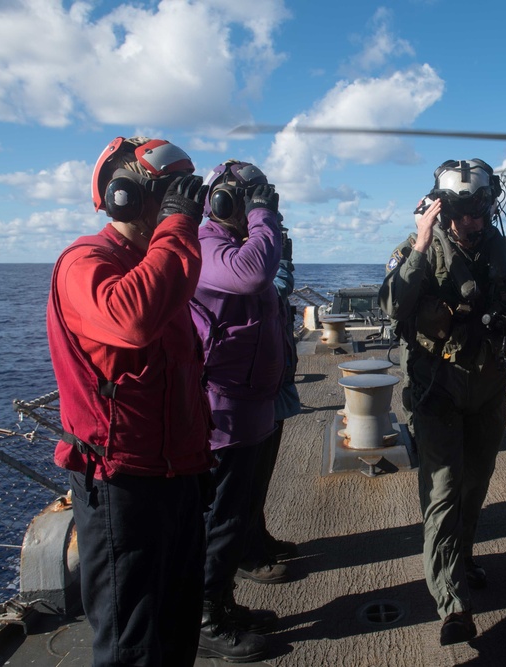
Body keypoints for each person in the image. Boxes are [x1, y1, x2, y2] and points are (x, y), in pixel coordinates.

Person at [379, 159, 506, 646]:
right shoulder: (418, 249)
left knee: (473, 488)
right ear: (442, 208)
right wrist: (420, 244)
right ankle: (453, 604)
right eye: (462, 209)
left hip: (487, 391)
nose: (472, 219)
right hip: (435, 390)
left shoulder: (504, 255)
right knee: (442, 493)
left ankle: (459, 562)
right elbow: (393, 304)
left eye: (481, 207)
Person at [47, 136, 213, 666]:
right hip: (122, 485)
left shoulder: (158, 265)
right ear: (125, 196)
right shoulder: (85, 262)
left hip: (175, 476)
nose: (178, 211)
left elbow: (181, 371)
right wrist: (178, 227)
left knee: (178, 624)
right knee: (132, 644)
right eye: (167, 198)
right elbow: (131, 318)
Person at [190, 160, 288, 662]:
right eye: (245, 199)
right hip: (224, 414)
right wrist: (263, 215)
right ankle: (206, 617)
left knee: (239, 515)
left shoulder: (234, 246)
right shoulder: (207, 244)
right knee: (222, 520)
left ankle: (223, 603)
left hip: (252, 405)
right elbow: (252, 276)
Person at [239, 222, 302, 574]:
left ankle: (259, 537)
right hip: (250, 395)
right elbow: (271, 289)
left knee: (261, 476)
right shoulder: (237, 267)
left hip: (271, 388)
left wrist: (281, 260)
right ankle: (247, 554)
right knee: (244, 483)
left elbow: (277, 292)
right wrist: (280, 262)